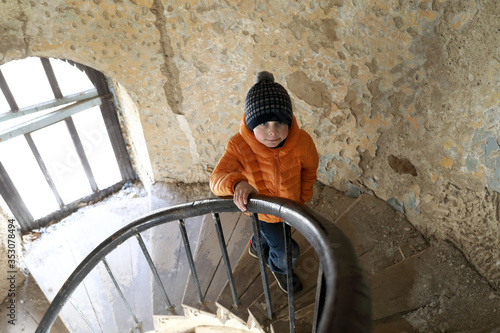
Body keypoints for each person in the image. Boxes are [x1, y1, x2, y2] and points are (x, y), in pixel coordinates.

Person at [210, 71, 319, 294]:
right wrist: (237, 184)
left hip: (289, 207)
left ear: (288, 121)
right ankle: (279, 267)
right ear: (251, 124)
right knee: (288, 251)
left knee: (275, 235)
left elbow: (309, 171)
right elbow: (216, 179)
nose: (272, 131)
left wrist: (302, 198)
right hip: (260, 211)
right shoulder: (239, 146)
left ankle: (257, 246)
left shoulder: (302, 142)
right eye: (263, 123)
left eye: (279, 121)